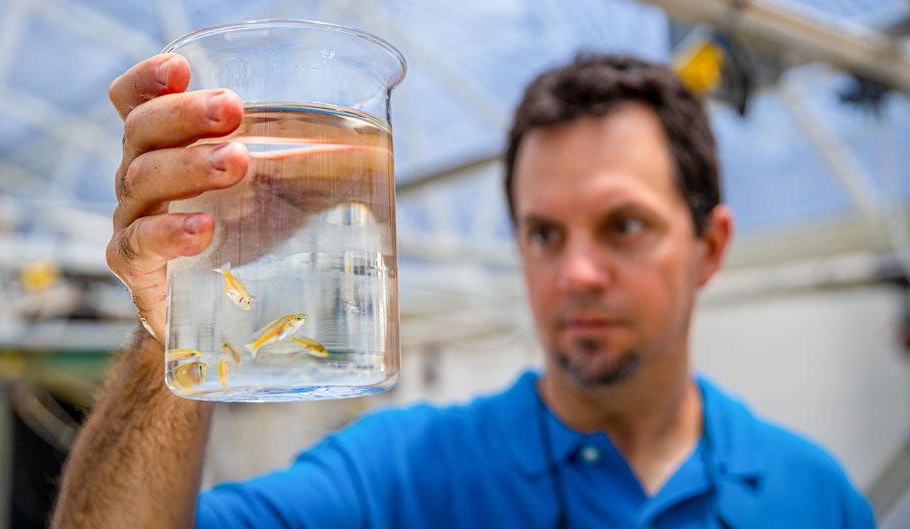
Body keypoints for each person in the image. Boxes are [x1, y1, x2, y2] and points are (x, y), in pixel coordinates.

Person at [51, 52, 875, 529]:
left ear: (711, 246)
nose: (577, 273)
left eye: (623, 226)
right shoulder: (399, 478)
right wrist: (172, 327)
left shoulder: (812, 493)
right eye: (545, 233)